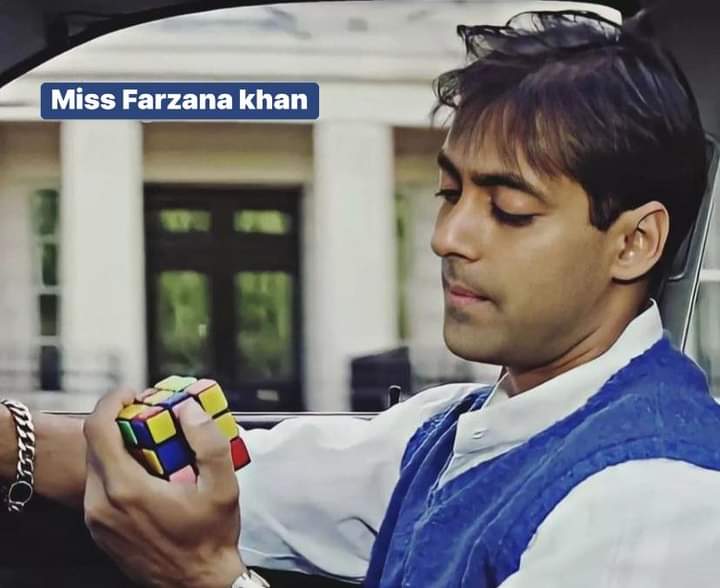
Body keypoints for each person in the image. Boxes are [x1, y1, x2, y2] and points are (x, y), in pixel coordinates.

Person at [2, 8, 720, 588]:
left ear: (634, 242)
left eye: (509, 210)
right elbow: (243, 473)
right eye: (450, 193)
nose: (446, 237)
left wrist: (206, 578)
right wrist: (13, 437)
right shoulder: (455, 426)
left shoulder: (654, 498)